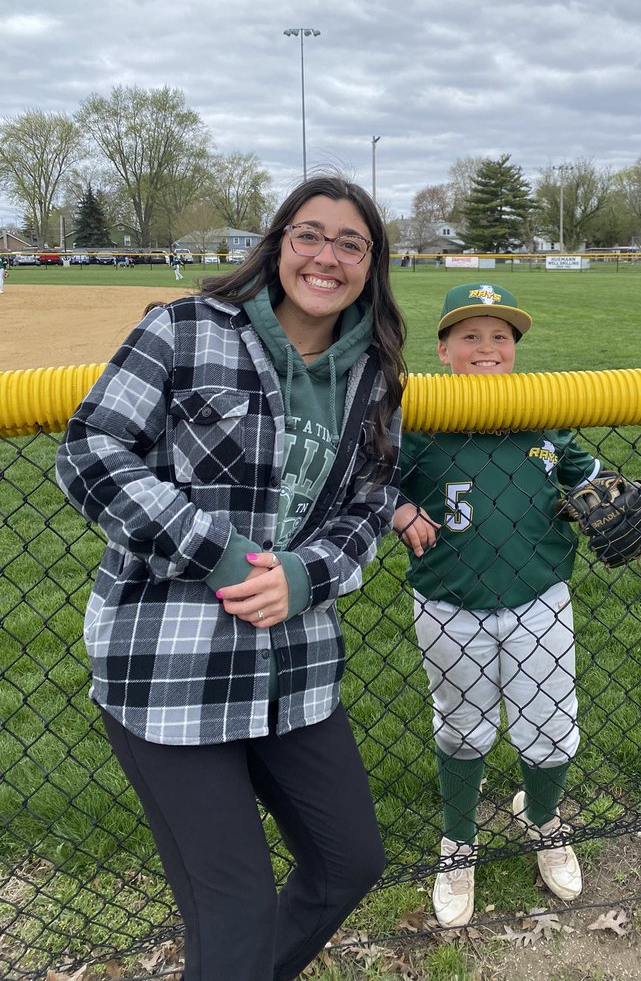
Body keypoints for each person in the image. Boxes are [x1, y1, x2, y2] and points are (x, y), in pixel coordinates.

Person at [55, 173, 406, 981]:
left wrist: (305, 574)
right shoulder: (184, 329)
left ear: (372, 265)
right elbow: (90, 453)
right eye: (310, 234)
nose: (328, 256)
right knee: (235, 911)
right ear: (279, 243)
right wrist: (218, 553)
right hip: (173, 667)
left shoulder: (378, 375)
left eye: (351, 243)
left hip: (295, 665)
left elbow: (370, 503)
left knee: (348, 861)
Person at [393, 283, 603, 928]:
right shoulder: (421, 415)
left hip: (540, 597)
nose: (487, 348)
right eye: (471, 336)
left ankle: (541, 818)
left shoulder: (543, 410)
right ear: (443, 349)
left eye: (501, 337)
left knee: (549, 729)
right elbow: (370, 477)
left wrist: (604, 490)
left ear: (515, 349)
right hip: (450, 601)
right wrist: (399, 508)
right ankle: (458, 843)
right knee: (463, 727)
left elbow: (583, 472)